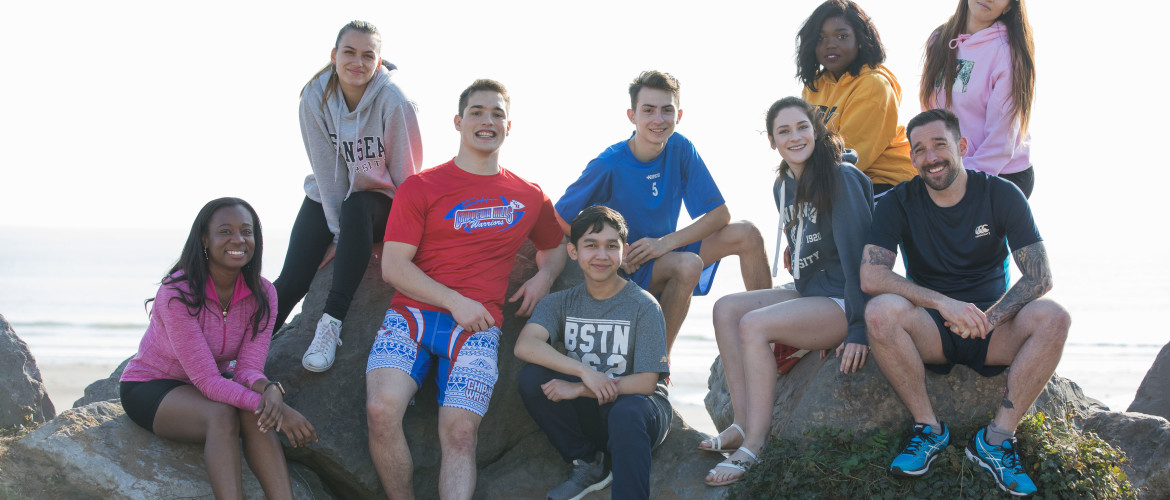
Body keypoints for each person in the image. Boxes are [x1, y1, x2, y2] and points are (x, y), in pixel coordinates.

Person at [365, 79, 567, 499]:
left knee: (459, 434)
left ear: (508, 126)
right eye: (477, 112)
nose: (487, 120)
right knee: (381, 411)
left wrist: (543, 277)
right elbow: (393, 266)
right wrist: (454, 301)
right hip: (411, 317)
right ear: (459, 122)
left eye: (496, 113)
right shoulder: (420, 187)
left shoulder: (528, 196)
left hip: (477, 330)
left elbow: (556, 246)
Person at [861, 109, 1069, 496]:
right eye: (920, 149)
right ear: (913, 159)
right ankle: (929, 430)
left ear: (961, 146)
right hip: (932, 329)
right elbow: (872, 276)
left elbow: (1041, 276)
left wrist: (988, 320)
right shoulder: (898, 202)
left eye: (939, 144)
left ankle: (996, 441)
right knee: (879, 312)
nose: (931, 157)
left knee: (1055, 318)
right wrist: (942, 303)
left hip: (994, 327)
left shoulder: (1001, 194)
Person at [701, 97, 874, 487]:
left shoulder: (841, 178)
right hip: (809, 291)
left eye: (801, 127)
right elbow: (802, 245)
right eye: (784, 131)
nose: (795, 137)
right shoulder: (783, 186)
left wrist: (860, 328)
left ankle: (756, 447)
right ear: (772, 140)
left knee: (755, 326)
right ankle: (742, 425)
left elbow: (860, 260)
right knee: (726, 308)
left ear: (816, 130)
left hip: (842, 299)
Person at [555, 70, 770, 354]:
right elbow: (559, 217)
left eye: (667, 110)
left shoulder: (680, 147)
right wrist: (612, 254)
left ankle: (772, 334)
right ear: (632, 116)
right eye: (649, 110)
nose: (659, 119)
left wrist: (665, 243)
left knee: (748, 234)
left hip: (662, 249)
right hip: (632, 265)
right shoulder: (609, 164)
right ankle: (658, 364)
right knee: (689, 264)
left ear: (678, 115)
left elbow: (720, 214)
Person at [120, 198, 317, 500]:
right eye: (225, 231)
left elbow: (248, 369)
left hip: (205, 386)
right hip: (151, 386)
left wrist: (271, 391)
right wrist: (280, 412)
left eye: (246, 231)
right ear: (205, 239)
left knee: (256, 413)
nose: (238, 239)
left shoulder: (263, 294)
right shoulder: (177, 292)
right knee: (223, 415)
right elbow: (207, 381)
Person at [272, 20, 423, 372]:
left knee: (357, 207)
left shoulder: (396, 102)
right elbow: (327, 171)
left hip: (380, 200)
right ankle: (239, 351)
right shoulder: (314, 96)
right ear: (334, 56)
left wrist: (400, 240)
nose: (358, 62)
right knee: (292, 277)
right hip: (330, 194)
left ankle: (331, 324)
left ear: (379, 60)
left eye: (368, 55)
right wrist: (337, 234)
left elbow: (408, 179)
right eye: (349, 53)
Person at [515, 206, 672, 500]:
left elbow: (646, 384)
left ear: (623, 252)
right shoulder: (560, 302)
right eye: (591, 245)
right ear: (573, 252)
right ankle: (589, 464)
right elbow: (526, 345)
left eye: (611, 246)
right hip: (595, 416)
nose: (602, 255)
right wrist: (585, 373)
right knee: (532, 378)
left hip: (640, 415)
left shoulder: (644, 306)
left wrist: (578, 389)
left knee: (628, 412)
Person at [796, 0, 917, 197]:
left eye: (842, 36)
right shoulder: (815, 86)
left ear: (860, 39)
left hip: (885, 186)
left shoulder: (874, 85)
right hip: (835, 180)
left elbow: (851, 157)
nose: (830, 45)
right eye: (820, 38)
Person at [920, 0, 1036, 198]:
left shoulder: (1007, 52)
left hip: (1001, 173)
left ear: (1009, 6)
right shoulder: (939, 40)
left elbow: (1000, 141)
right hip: (951, 168)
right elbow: (929, 113)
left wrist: (958, 178)